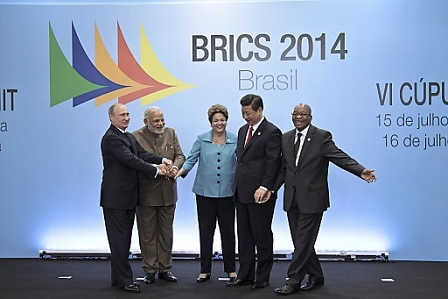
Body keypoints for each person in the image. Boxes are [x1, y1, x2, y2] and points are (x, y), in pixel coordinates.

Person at [272, 103, 377, 295]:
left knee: (303, 241)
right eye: (295, 113)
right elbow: (283, 169)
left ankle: (293, 280)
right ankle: (316, 276)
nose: (298, 117)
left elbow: (339, 157)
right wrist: (270, 189)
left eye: (303, 114)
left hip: (313, 199)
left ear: (310, 117)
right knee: (301, 241)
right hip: (292, 199)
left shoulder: (322, 137)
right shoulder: (286, 138)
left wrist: (360, 170)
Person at [100, 103, 173, 293]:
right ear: (111, 117)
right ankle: (126, 281)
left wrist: (161, 160)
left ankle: (117, 278)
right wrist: (157, 171)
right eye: (122, 115)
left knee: (123, 240)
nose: (126, 118)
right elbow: (132, 160)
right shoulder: (111, 138)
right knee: (118, 240)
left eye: (127, 114)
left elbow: (142, 154)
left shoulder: (128, 136)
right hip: (115, 198)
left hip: (128, 198)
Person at [175, 104, 238, 283]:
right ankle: (204, 270)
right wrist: (179, 173)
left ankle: (231, 270)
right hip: (204, 194)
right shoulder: (202, 139)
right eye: (216, 120)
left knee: (228, 232)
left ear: (226, 120)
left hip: (228, 193)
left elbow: (244, 162)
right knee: (206, 232)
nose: (219, 123)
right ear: (210, 122)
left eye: (222, 120)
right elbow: (191, 159)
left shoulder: (235, 138)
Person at [226, 94, 282, 290]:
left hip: (261, 193)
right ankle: (245, 274)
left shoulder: (272, 132)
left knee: (262, 235)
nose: (245, 117)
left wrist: (266, 187)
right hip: (241, 193)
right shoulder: (242, 131)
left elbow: (274, 163)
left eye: (248, 113)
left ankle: (262, 277)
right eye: (243, 113)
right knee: (244, 236)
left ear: (260, 110)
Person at [132, 106, 185, 284]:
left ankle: (165, 269)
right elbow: (136, 161)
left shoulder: (171, 133)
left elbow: (179, 155)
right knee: (147, 234)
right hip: (146, 193)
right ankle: (149, 270)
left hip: (168, 193)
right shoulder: (135, 136)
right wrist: (157, 168)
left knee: (166, 233)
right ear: (146, 122)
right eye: (156, 120)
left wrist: (175, 168)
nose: (160, 123)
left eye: (162, 119)